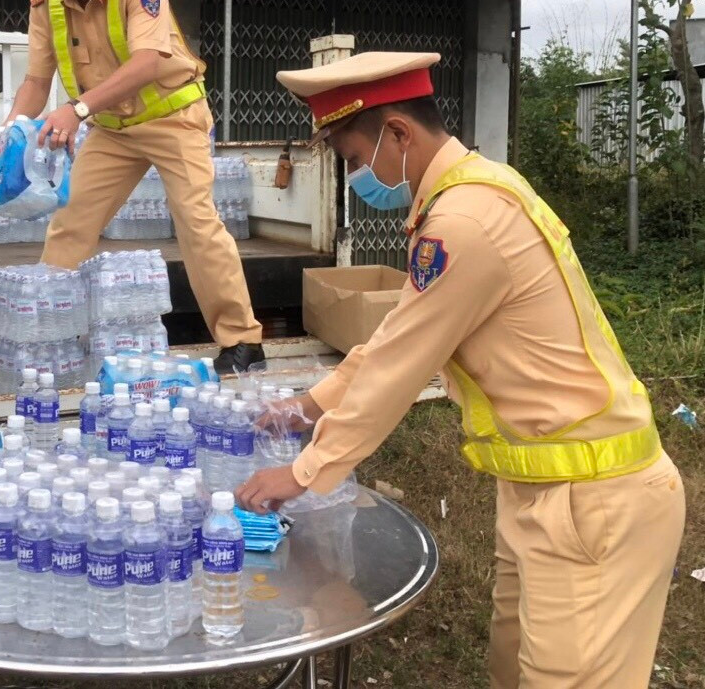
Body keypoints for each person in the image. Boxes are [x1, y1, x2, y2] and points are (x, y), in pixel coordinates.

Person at [236, 51, 685, 688]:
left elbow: (398, 367)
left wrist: (305, 470)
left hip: (595, 502)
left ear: (397, 133)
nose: (357, 175)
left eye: (354, 158)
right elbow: (398, 335)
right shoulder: (466, 195)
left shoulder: (464, 222)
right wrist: (310, 405)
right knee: (516, 669)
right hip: (546, 489)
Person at [5, 0, 264, 375]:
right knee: (71, 221)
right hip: (112, 130)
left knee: (197, 224)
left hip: (173, 118)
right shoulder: (46, 5)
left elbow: (147, 61)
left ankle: (242, 342)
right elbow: (37, 82)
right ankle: (51, 334)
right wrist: (9, 132)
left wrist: (78, 109)